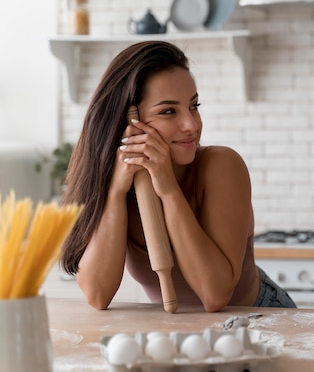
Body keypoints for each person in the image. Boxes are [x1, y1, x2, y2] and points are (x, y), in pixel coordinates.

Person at [59, 41, 296, 311]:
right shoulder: (116, 185)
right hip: (176, 331)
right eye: (168, 111)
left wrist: (168, 189)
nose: (191, 125)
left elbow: (214, 295)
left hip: (257, 318)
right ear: (128, 123)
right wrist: (115, 192)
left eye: (194, 106)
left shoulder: (222, 166)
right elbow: (97, 295)